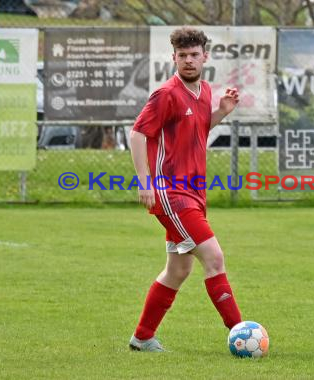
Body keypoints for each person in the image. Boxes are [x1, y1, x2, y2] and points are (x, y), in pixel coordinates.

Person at [128, 27, 242, 352]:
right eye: (182, 56)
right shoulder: (166, 94)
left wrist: (221, 112)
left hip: (193, 193)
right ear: (174, 57)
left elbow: (197, 127)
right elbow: (138, 134)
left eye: (194, 55)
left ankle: (143, 336)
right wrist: (144, 180)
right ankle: (240, 332)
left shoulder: (204, 91)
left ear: (205, 56)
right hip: (172, 195)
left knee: (178, 269)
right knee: (214, 258)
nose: (189, 60)